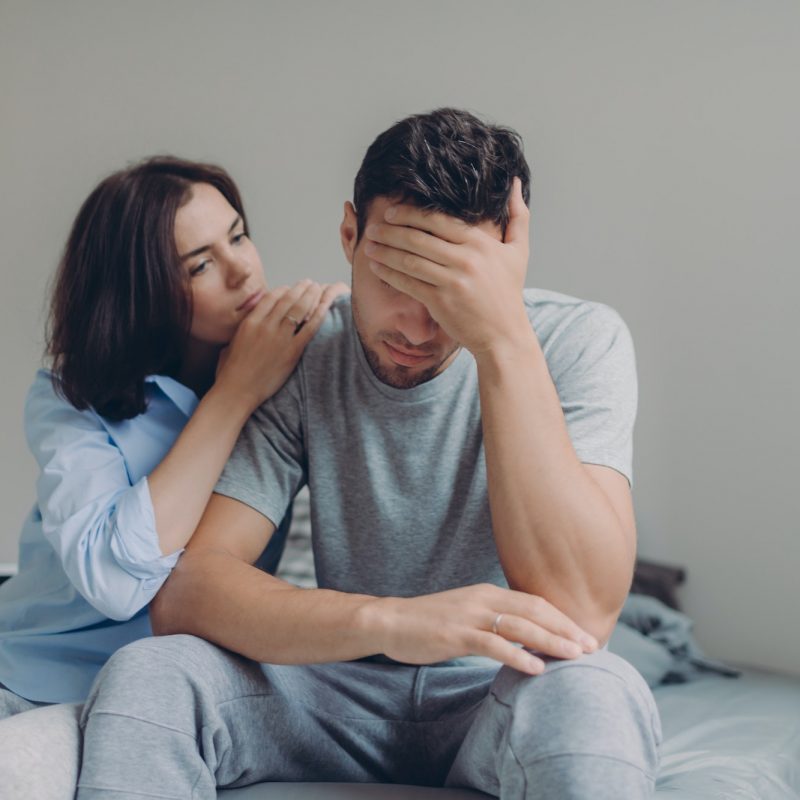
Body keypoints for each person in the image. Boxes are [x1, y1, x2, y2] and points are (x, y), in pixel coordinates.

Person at [77, 110, 661, 799]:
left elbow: (584, 611)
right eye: (395, 281)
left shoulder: (577, 341)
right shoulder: (305, 350)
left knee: (598, 689)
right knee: (149, 671)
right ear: (350, 234)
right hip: (336, 685)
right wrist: (393, 622)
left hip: (502, 689)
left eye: (448, 291)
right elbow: (189, 592)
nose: (417, 327)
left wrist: (501, 339)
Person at [0, 156, 344, 795]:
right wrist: (234, 394)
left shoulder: (293, 370)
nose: (244, 268)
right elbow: (115, 579)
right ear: (143, 291)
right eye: (201, 264)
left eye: (239, 236)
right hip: (35, 684)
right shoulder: (69, 398)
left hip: (183, 693)